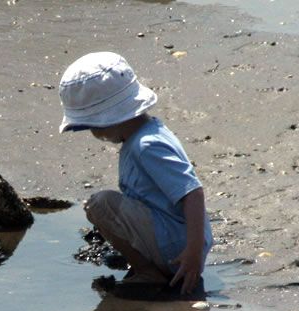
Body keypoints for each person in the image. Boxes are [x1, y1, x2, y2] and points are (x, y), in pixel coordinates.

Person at [58, 52, 213, 295]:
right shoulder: (149, 132)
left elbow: (193, 193)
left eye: (89, 127)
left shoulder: (147, 146)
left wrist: (192, 255)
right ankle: (153, 263)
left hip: (179, 250)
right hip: (179, 239)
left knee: (99, 205)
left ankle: (147, 272)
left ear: (104, 121)